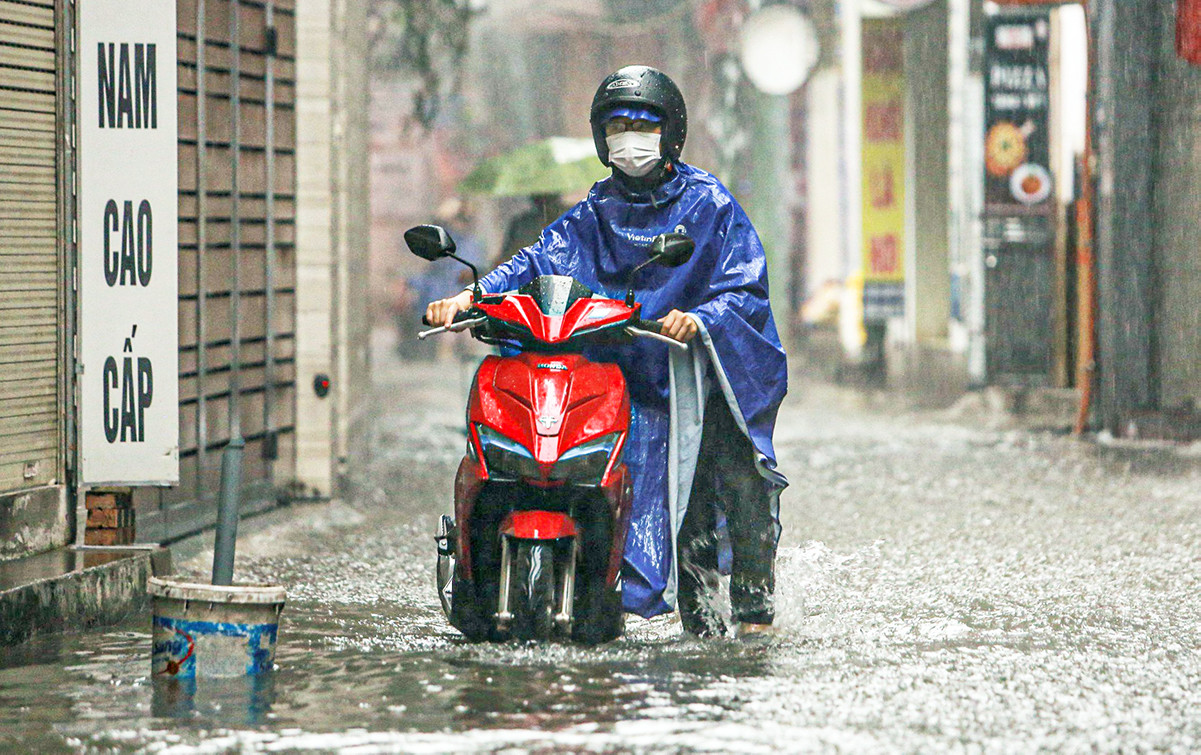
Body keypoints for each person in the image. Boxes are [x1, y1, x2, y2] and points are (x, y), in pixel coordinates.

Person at [426, 65, 788, 637]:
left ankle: (751, 615)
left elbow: (745, 287)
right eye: (618, 124)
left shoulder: (709, 205)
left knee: (730, 477)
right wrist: (470, 295)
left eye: (644, 124)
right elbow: (535, 262)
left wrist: (699, 318)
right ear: (601, 138)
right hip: (614, 380)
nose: (631, 136)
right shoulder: (592, 214)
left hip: (690, 381)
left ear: (671, 134)